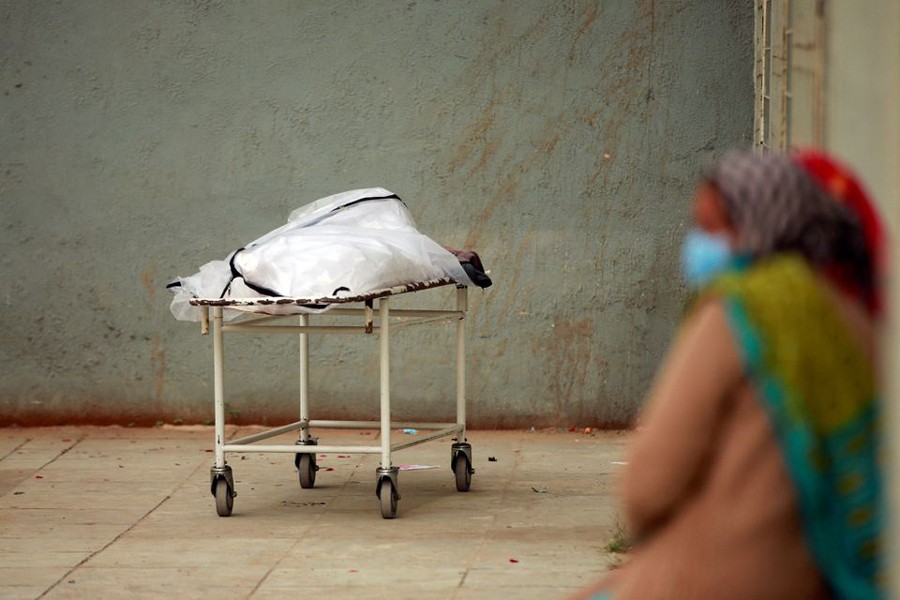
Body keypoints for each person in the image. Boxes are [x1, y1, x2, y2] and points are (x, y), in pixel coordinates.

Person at [574, 149, 885, 600]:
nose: (700, 245)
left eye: (712, 228)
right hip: (826, 576)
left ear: (760, 221)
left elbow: (648, 486)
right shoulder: (855, 322)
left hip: (715, 576)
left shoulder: (738, 312)